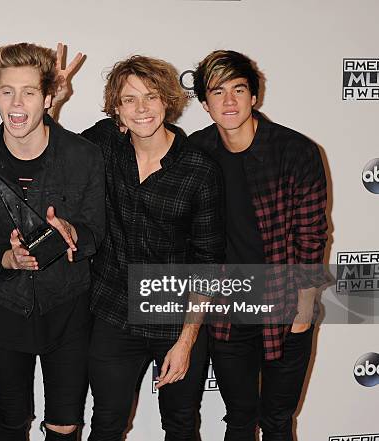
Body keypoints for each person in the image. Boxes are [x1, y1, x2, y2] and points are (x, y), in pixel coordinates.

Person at [51, 50, 224, 441]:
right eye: (129, 99)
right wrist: (55, 100)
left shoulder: (200, 169)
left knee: (181, 426)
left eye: (151, 96)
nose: (141, 109)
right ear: (117, 108)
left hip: (177, 316)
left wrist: (185, 342)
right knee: (107, 425)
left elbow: (208, 262)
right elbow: (51, 148)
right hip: (113, 312)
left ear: (167, 100)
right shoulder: (104, 143)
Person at [0, 43, 105, 441]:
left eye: (28, 92)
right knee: (11, 418)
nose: (17, 102)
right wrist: (6, 258)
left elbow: (97, 233)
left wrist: (74, 234)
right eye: (7, 91)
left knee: (65, 424)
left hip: (69, 310)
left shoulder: (83, 155)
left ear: (48, 97)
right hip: (6, 309)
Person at [190, 49, 328, 441]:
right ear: (205, 103)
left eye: (239, 89)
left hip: (286, 307)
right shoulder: (196, 153)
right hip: (227, 313)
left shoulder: (294, 151)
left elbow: (311, 236)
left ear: (254, 96)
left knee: (278, 421)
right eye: (218, 92)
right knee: (239, 419)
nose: (229, 101)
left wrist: (301, 317)